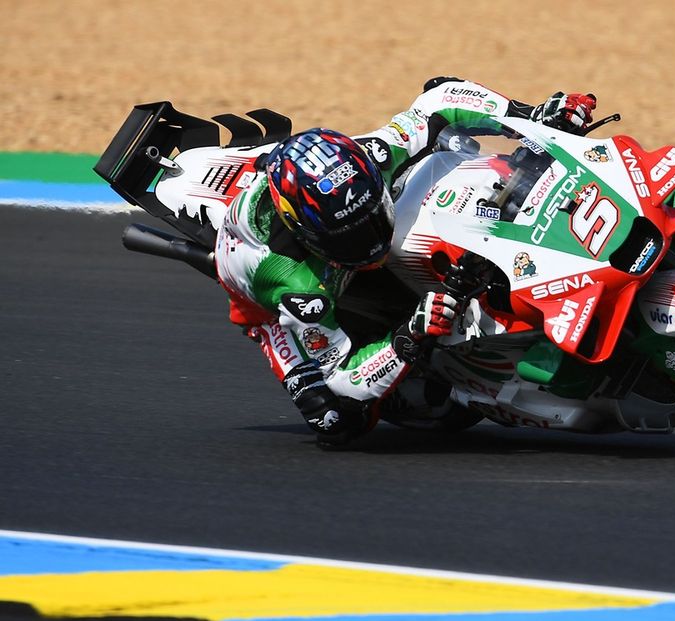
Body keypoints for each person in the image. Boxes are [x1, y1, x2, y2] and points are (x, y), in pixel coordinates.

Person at [213, 77, 598, 447]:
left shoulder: (373, 155)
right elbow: (342, 379)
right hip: (262, 299)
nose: (370, 240)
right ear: (305, 234)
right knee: (338, 419)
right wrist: (410, 334)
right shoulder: (296, 288)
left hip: (330, 208)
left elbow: (441, 98)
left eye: (373, 216)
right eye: (351, 235)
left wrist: (529, 115)